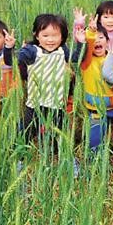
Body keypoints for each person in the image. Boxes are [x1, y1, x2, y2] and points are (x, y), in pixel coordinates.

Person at [17, 14, 77, 144]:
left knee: (57, 133)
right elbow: (17, 60)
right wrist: (10, 48)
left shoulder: (63, 51)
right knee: (26, 132)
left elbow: (78, 57)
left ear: (62, 37)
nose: (50, 40)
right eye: (45, 35)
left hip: (57, 103)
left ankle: (56, 153)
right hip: (35, 102)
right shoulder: (33, 51)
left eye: (55, 35)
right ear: (36, 35)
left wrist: (83, 40)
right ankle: (20, 157)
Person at [73, 8, 113, 150]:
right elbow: (83, 46)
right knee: (94, 141)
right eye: (94, 39)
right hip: (95, 108)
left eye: (101, 37)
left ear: (107, 40)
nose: (97, 41)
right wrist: (88, 32)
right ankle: (94, 155)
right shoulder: (86, 62)